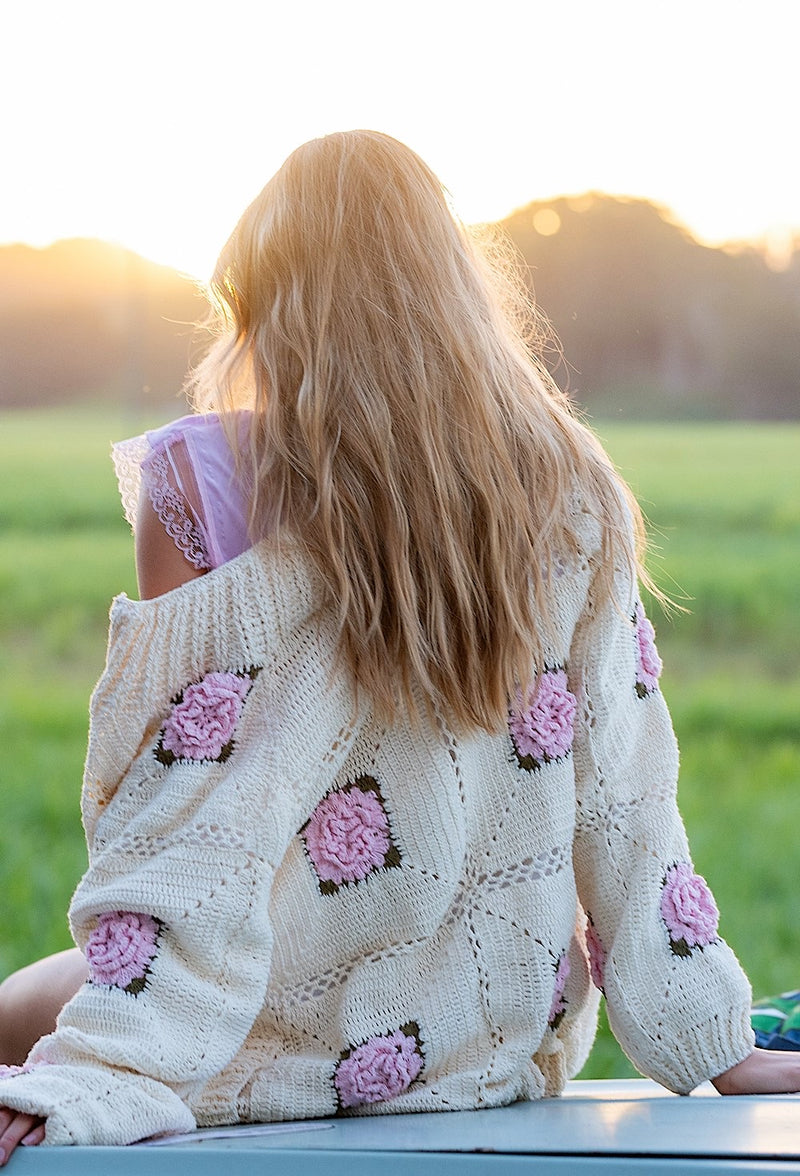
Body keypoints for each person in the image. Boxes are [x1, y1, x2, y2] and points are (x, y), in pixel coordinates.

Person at [1, 130, 798, 1162]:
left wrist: (110, 1063)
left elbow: (189, 803)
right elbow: (626, 796)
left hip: (262, 1003)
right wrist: (709, 1039)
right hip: (491, 1007)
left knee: (19, 1011)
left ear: (264, 295)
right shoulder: (568, 484)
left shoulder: (196, 480)